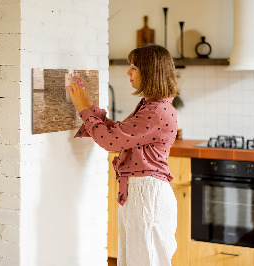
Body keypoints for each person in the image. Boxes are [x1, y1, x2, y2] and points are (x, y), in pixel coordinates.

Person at [67, 44, 179, 266]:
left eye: (134, 67)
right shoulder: (152, 106)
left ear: (150, 72)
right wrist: (89, 104)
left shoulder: (156, 111)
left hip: (147, 195)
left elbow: (110, 141)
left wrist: (81, 107)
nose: (128, 72)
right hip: (142, 193)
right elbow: (119, 133)